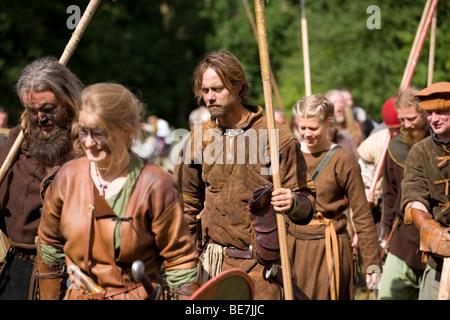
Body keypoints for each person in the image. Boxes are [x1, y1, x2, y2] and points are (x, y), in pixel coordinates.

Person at [173, 50, 316, 300]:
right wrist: (183, 263)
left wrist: (292, 202)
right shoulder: (198, 140)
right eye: (205, 91)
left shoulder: (277, 137)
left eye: (217, 89)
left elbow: (307, 204)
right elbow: (186, 206)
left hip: (262, 269)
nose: (210, 97)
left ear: (238, 86)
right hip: (213, 266)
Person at [37, 82, 199, 300]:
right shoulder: (67, 177)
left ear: (126, 131)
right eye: (83, 132)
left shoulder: (155, 184)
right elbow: (49, 247)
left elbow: (180, 262)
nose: (88, 142)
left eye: (98, 133)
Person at [0, 57, 83, 300]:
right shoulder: (15, 146)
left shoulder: (90, 144)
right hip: (18, 277)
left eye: (49, 110)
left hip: (76, 277)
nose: (41, 119)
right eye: (33, 111)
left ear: (68, 102)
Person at [289, 94, 381, 300]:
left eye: (313, 128)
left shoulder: (343, 159)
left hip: (329, 248)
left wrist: (372, 262)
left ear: (328, 123)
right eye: (302, 128)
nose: (306, 134)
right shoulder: (289, 155)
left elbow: (362, 215)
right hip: (293, 247)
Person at [377, 88, 429, 300]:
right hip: (402, 238)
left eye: (411, 118)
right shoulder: (395, 147)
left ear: (425, 114)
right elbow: (389, 195)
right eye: (402, 119)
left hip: (435, 239)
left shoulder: (441, 146)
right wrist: (384, 232)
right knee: (388, 295)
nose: (406, 125)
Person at [401, 82, 450, 300]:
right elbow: (413, 196)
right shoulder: (420, 151)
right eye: (430, 113)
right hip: (438, 255)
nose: (434, 118)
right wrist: (430, 229)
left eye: (441, 112)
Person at [357, 97, 401, 222]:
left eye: (400, 128)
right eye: (393, 129)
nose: (396, 134)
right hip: (380, 206)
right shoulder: (377, 142)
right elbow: (361, 169)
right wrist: (365, 189)